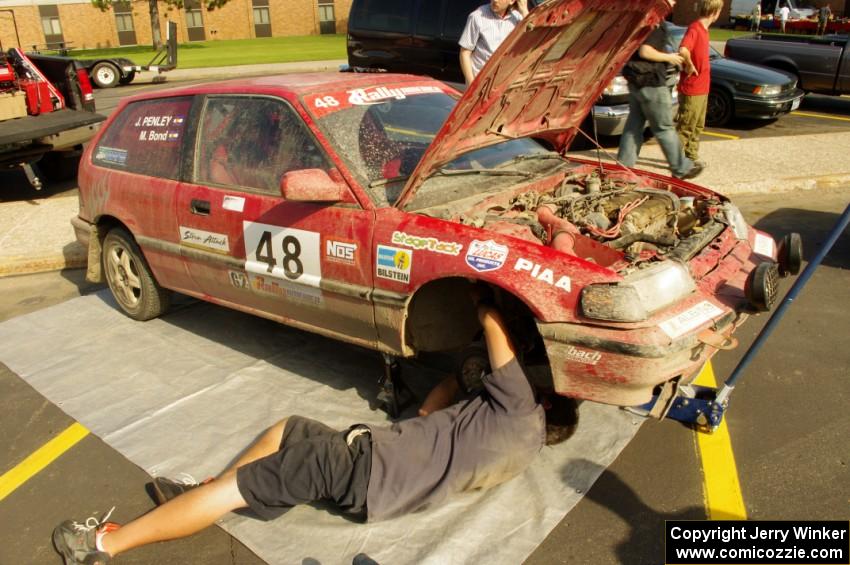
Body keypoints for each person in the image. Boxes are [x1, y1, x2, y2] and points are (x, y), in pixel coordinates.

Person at [52, 287, 578, 565]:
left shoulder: (520, 409)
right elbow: (427, 411)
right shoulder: (514, 439)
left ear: (546, 407)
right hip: (377, 480)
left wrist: (482, 298)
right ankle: (208, 490)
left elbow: (494, 334)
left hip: (359, 467)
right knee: (289, 428)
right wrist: (465, 384)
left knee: (234, 494)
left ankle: (103, 546)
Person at [617, 12, 703, 180]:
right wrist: (669, 57)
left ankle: (623, 168)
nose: (673, 4)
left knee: (633, 127)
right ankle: (681, 168)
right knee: (664, 128)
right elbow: (645, 51)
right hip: (652, 83)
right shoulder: (655, 23)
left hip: (636, 82)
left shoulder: (640, 20)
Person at [676, 0, 723, 168]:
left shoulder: (705, 30)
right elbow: (683, 50)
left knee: (698, 125)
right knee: (686, 126)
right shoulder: (695, 28)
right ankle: (677, 162)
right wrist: (689, 64)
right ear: (715, 12)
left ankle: (691, 155)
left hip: (703, 87)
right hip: (692, 88)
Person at [459, 0, 529, 85]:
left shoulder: (518, 17)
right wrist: (472, 84)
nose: (495, 0)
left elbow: (533, 42)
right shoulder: (477, 17)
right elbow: (465, 53)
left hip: (503, 83)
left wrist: (524, 11)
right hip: (480, 84)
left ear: (511, 1)